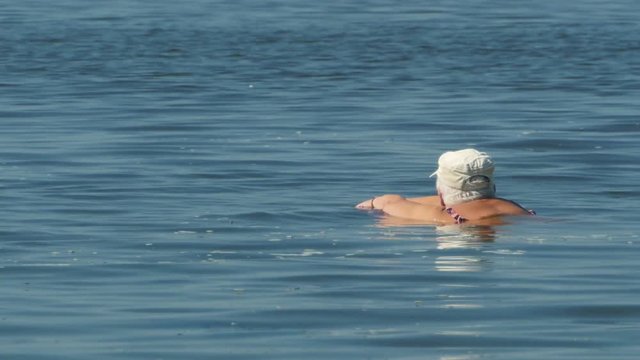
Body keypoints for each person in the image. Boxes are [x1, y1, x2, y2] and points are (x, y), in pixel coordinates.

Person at [355, 149, 535, 225]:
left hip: (459, 226)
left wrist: (374, 201)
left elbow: (389, 203)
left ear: (441, 190)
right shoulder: (512, 206)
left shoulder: (443, 215)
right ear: (492, 184)